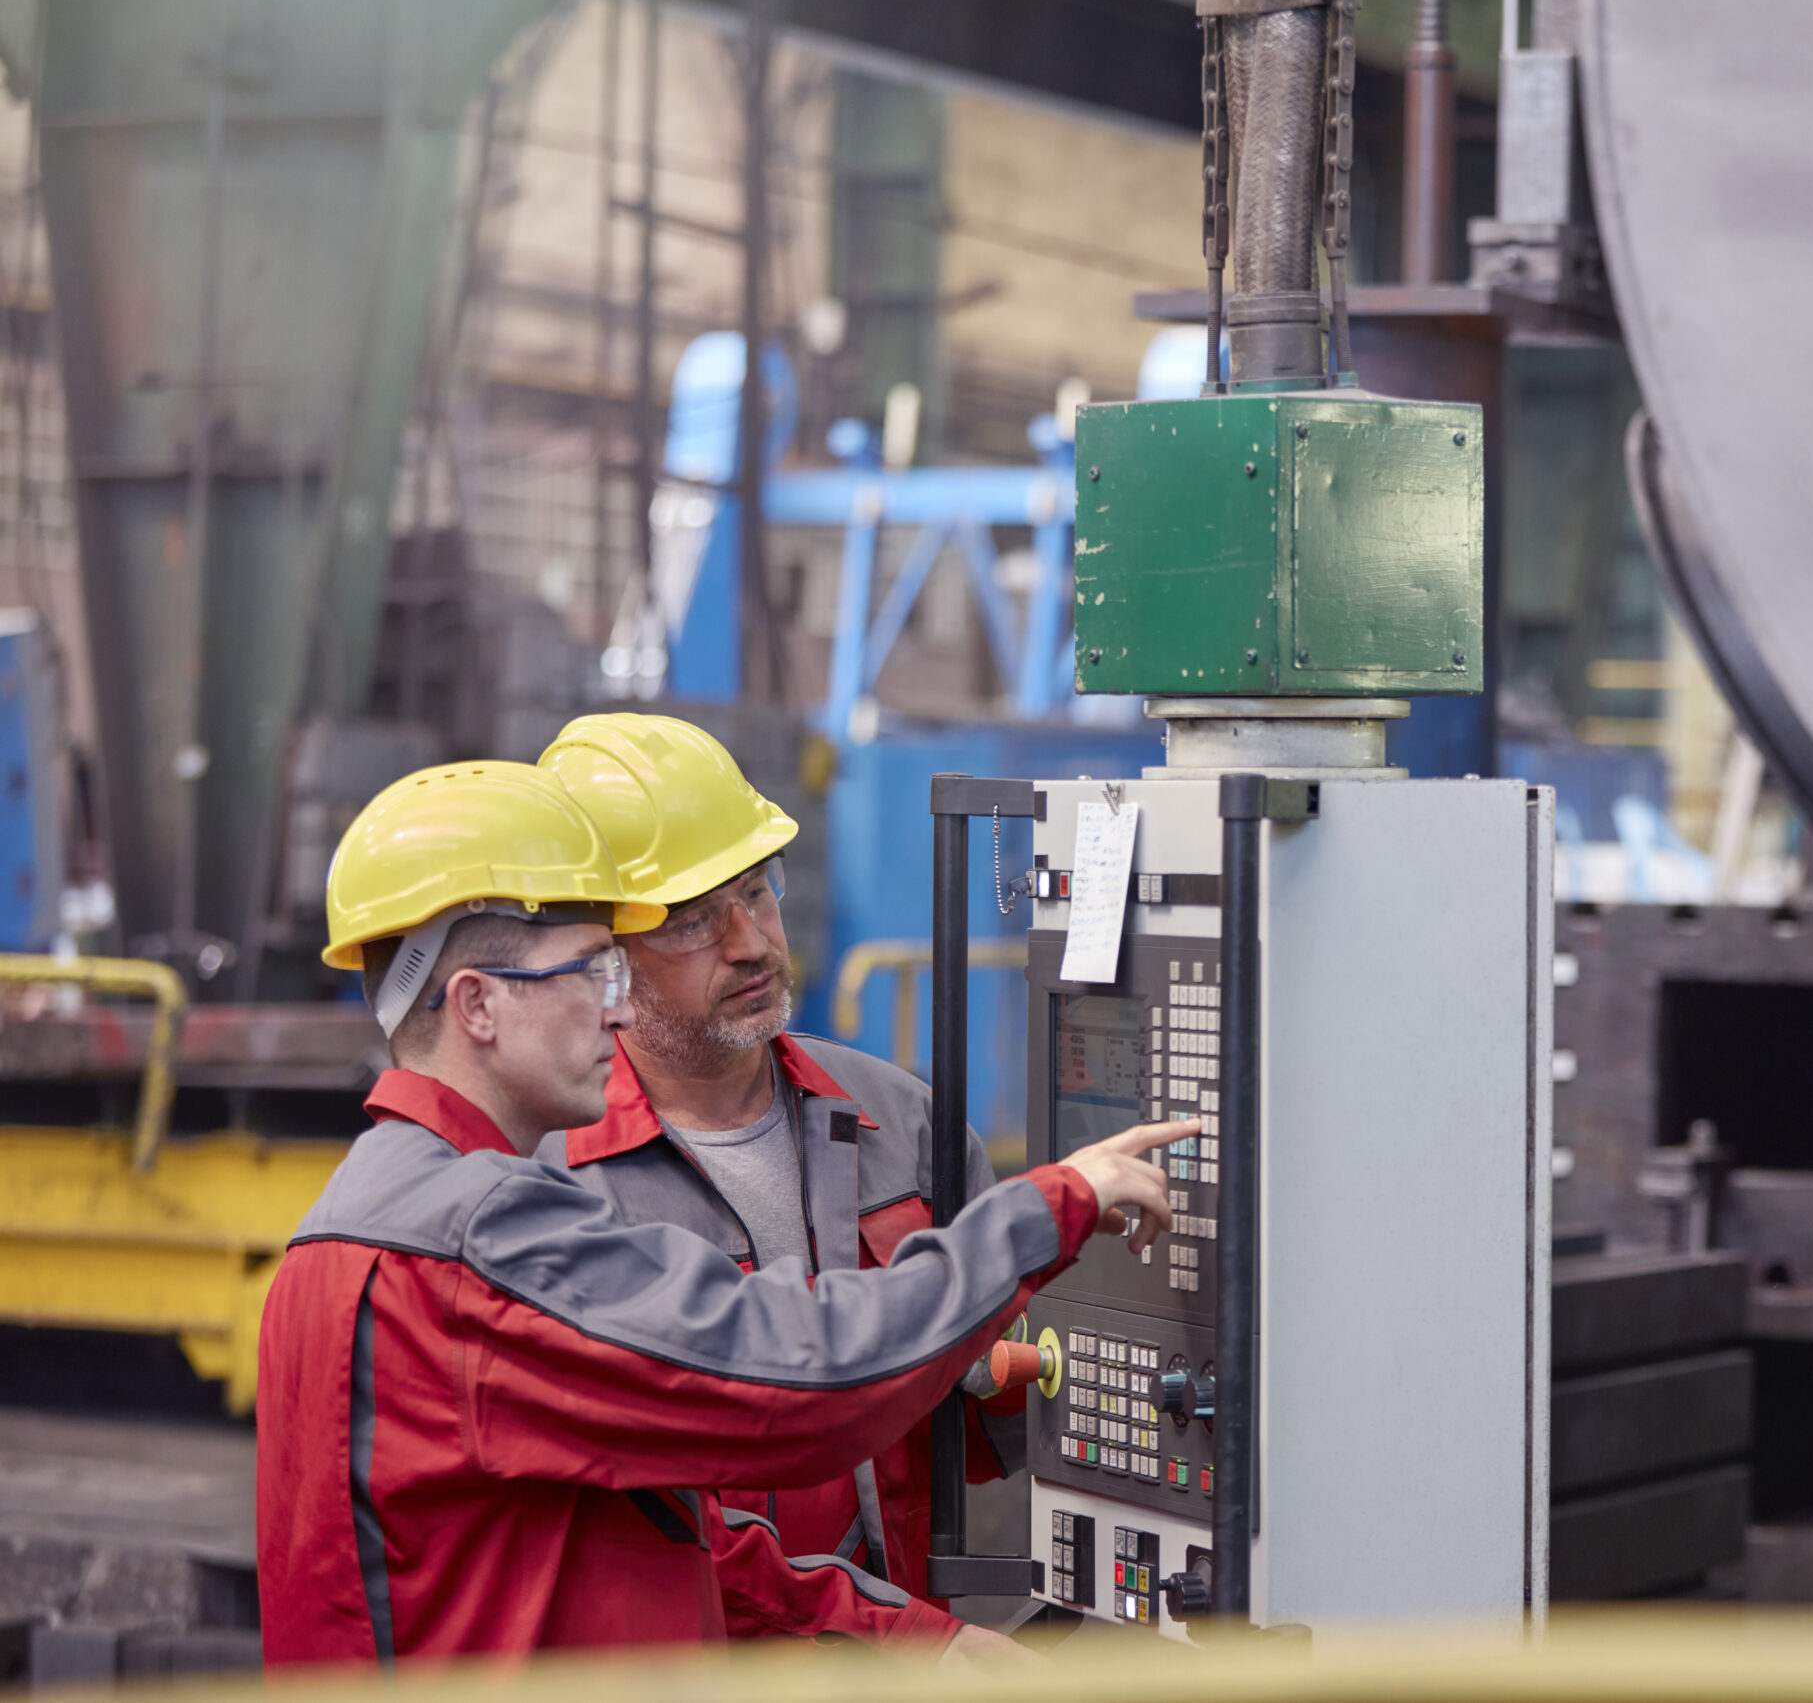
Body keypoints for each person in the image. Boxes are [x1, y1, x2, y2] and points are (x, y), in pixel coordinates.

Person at [256, 760, 1185, 1666]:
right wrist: (1048, 1208)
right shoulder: (480, 1238)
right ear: (478, 1006)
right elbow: (798, 1378)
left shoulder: (345, 1229)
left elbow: (675, 1524)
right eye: (591, 972)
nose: (614, 1015)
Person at [530, 714, 1031, 1614]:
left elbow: (1012, 1432)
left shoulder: (904, 1122)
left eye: (756, 892)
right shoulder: (552, 1190)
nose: (752, 942)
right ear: (599, 958)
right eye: (692, 921)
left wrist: (1013, 1375)